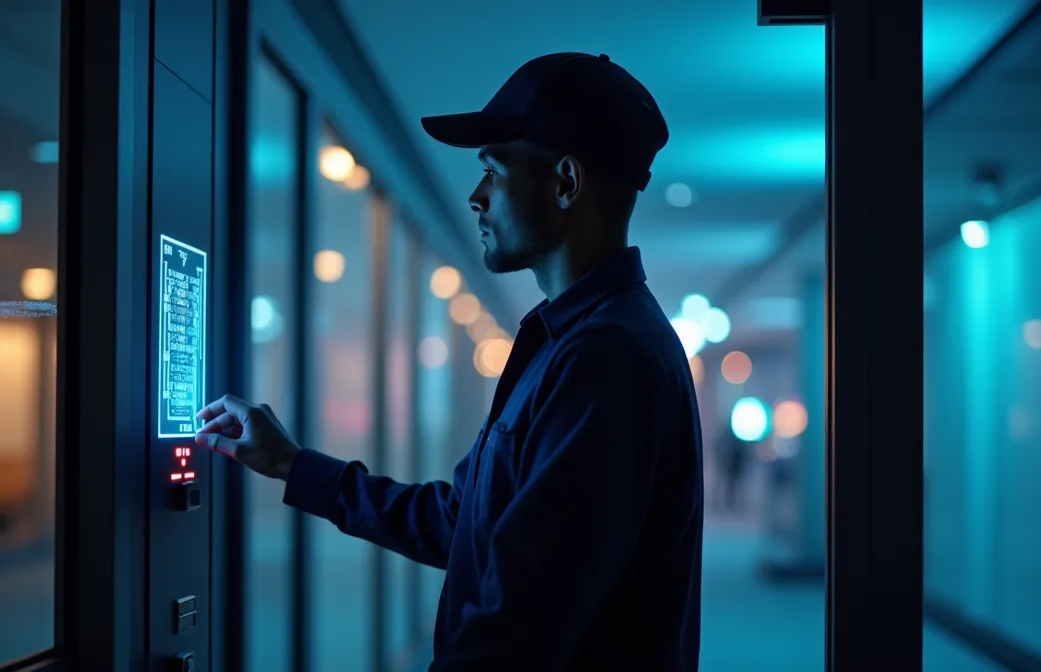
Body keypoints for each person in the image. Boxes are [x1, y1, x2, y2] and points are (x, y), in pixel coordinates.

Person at [196, 52, 703, 671]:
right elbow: (462, 524)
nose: (476, 196)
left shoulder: (607, 357)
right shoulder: (572, 342)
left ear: (566, 182)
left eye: (492, 170)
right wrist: (293, 465)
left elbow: (520, 626)